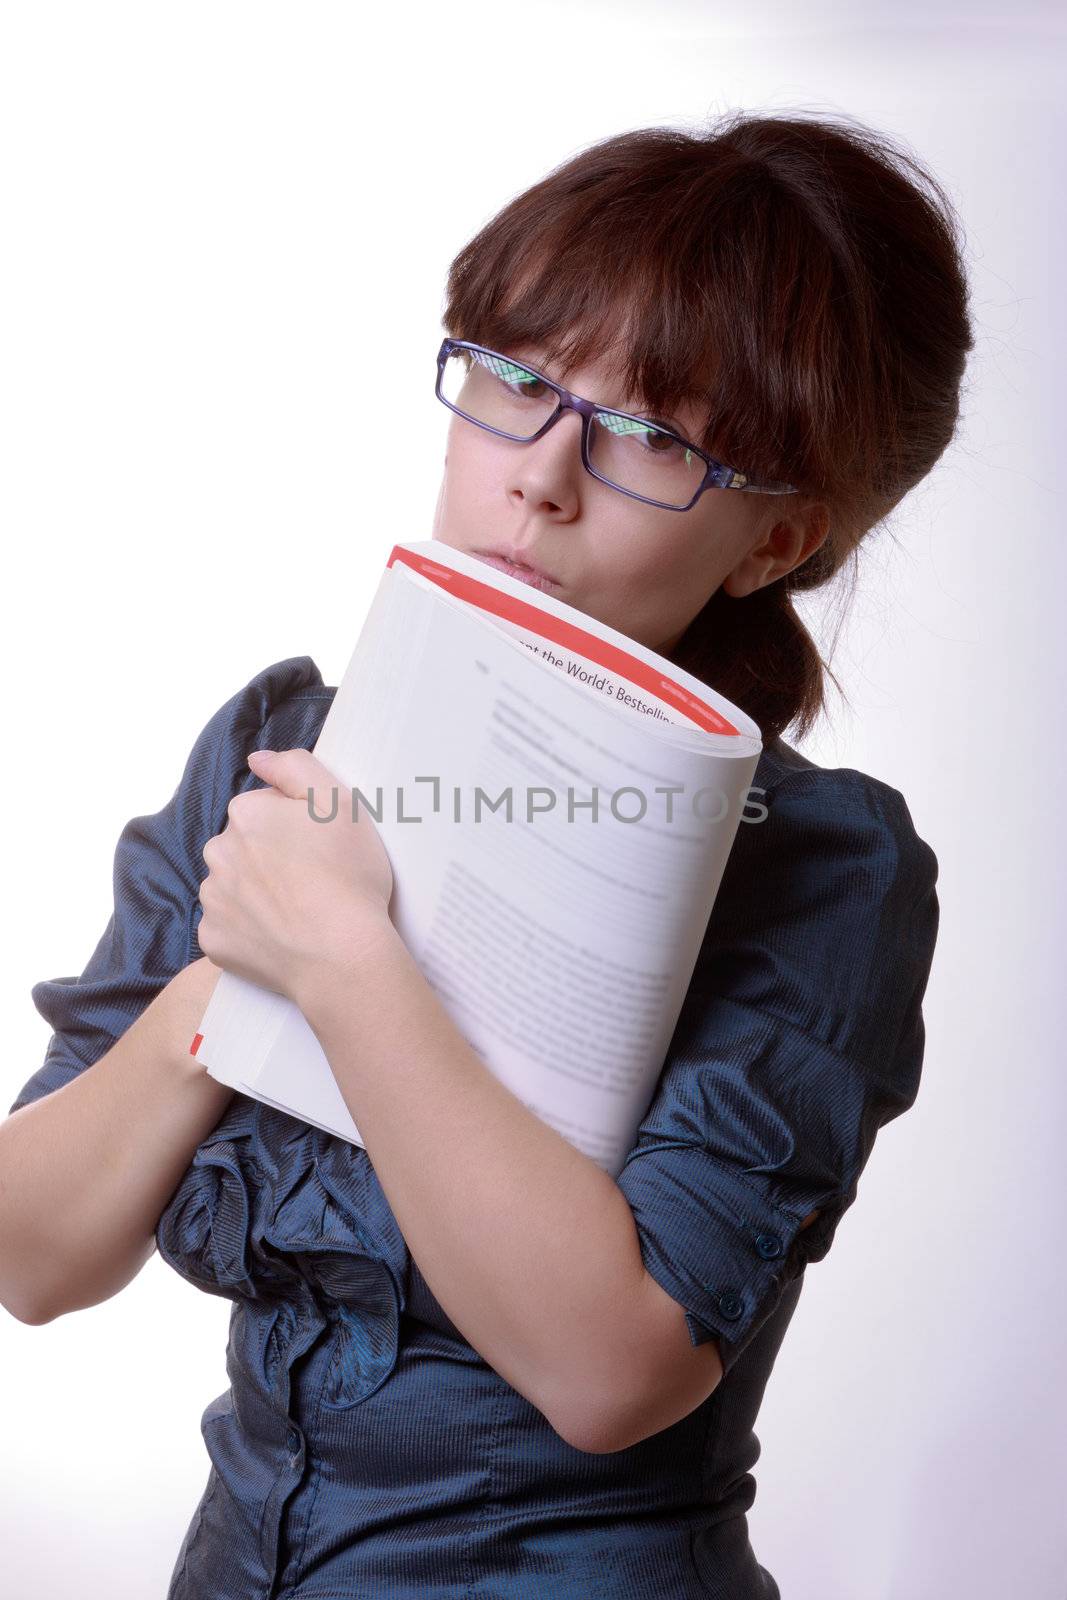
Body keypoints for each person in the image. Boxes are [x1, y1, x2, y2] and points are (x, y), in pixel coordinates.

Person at [0, 109, 972, 1598]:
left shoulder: (830, 871)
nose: (540, 476)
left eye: (652, 435)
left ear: (776, 545)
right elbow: (35, 1254)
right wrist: (242, 964)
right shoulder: (280, 742)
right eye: (517, 381)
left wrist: (342, 961)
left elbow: (607, 1371)